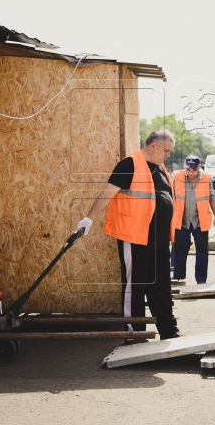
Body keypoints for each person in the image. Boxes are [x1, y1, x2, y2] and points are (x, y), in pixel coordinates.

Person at [76, 128, 181, 343]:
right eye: (166, 151)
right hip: (135, 238)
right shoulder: (130, 164)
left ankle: (168, 329)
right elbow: (108, 192)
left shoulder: (160, 167)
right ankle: (134, 333)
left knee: (161, 283)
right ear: (154, 146)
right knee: (135, 284)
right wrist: (89, 218)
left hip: (159, 240)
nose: (168, 155)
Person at [171, 155, 215, 284]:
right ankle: (178, 276)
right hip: (181, 220)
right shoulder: (176, 177)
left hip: (200, 220)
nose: (191, 172)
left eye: (194, 170)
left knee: (202, 251)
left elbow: (212, 198)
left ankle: (201, 278)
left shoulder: (206, 177)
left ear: (199, 167)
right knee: (179, 249)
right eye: (188, 169)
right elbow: (170, 197)